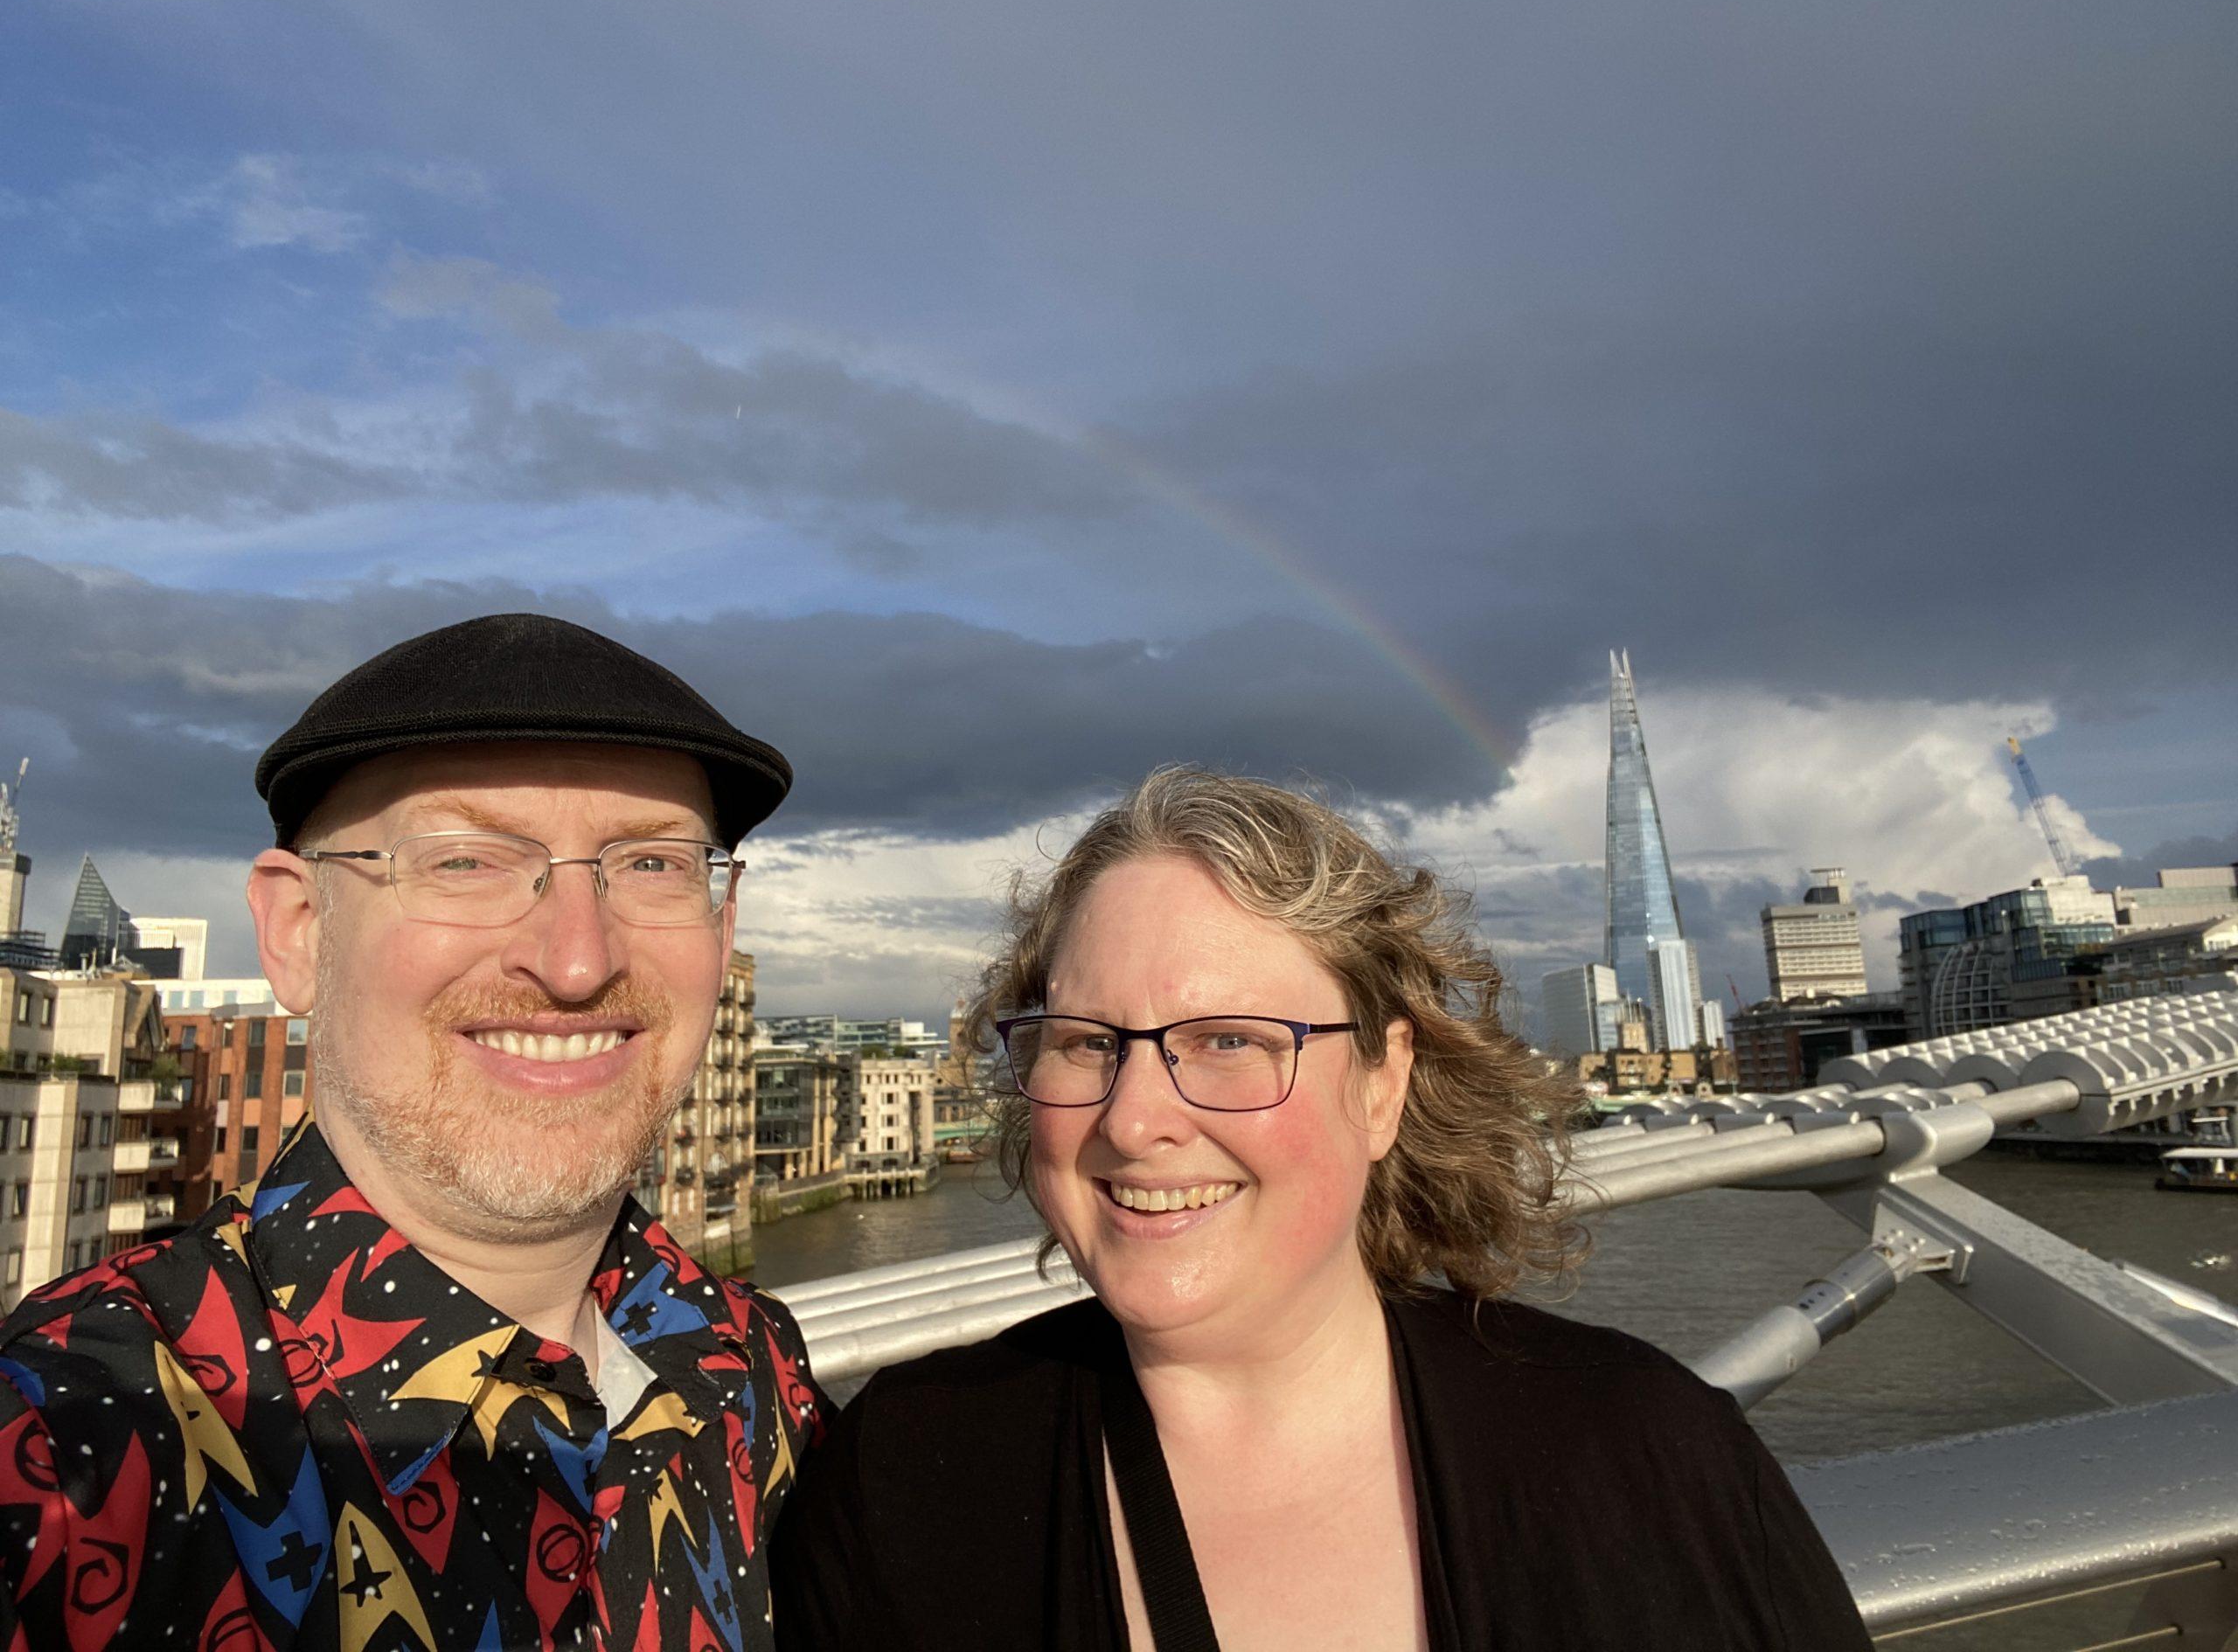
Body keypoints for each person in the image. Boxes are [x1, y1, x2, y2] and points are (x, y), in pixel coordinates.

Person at [771, 767, 1870, 1650]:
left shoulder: (1646, 1455)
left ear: (1381, 1083)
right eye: (1085, 1043)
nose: (1135, 1117)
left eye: (1232, 1041)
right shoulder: (906, 1477)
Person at [0, 614, 824, 1650]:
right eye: (465, 861)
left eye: (653, 865)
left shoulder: (752, 1370)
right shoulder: (70, 1440)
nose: (576, 963)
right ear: (300, 934)